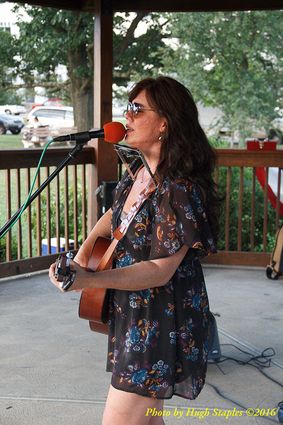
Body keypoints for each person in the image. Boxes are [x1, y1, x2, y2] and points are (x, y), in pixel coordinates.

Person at [49, 76, 220, 425]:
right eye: (127, 107)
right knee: (147, 421)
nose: (125, 116)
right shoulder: (138, 172)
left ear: (164, 124)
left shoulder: (179, 189)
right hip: (135, 313)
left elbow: (160, 269)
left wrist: (91, 280)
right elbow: (114, 215)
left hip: (162, 319)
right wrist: (82, 257)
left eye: (136, 109)